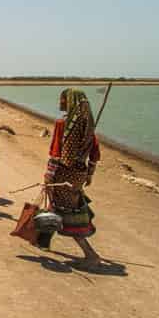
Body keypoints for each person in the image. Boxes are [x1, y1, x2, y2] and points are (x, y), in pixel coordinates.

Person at [40, 88, 102, 268]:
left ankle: (91, 255)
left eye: (63, 99)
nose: (60, 103)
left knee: (68, 213)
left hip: (64, 173)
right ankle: (43, 241)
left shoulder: (64, 124)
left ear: (70, 101)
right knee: (56, 206)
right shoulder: (88, 125)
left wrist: (49, 175)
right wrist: (89, 174)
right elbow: (94, 154)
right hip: (79, 174)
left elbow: (56, 153)